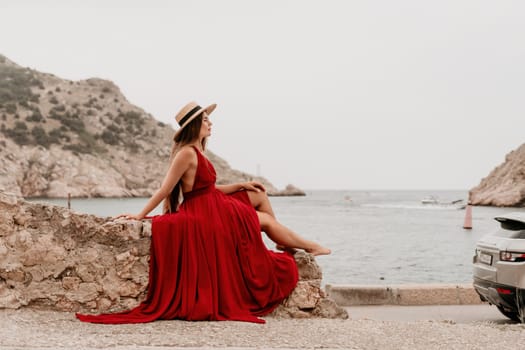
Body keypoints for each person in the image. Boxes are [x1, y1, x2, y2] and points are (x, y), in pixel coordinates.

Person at [76, 101, 330, 324]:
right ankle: (309, 246)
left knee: (259, 194)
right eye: (205, 119)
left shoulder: (199, 152)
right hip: (203, 212)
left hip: (214, 202)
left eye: (209, 119)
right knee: (262, 220)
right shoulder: (186, 153)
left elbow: (208, 187)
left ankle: (261, 251)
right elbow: (166, 189)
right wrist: (140, 215)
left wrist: (241, 185)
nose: (210, 123)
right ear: (194, 125)